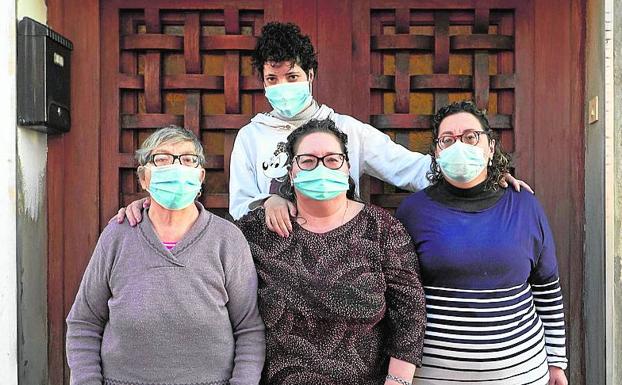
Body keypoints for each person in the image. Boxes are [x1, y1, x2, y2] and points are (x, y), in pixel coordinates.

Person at [116, 22, 530, 236]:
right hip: (278, 274)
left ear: (310, 74)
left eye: (291, 75)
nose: (282, 87)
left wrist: (482, 175)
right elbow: (241, 208)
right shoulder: (251, 136)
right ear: (261, 82)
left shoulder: (348, 130)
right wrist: (270, 204)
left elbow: (415, 170)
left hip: (344, 263)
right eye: (272, 79)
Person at [66, 126, 265, 385]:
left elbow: (249, 329)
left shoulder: (227, 239)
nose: (176, 167)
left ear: (201, 176)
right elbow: (84, 322)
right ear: (144, 178)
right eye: (162, 159)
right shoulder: (117, 236)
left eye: (187, 159)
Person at [236, 118, 427, 385]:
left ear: (347, 166)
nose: (321, 167)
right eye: (308, 161)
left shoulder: (382, 229)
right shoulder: (258, 231)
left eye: (332, 159)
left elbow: (409, 312)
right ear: (291, 172)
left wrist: (398, 381)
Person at [395, 101, 568, 385]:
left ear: (490, 147)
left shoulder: (525, 205)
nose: (458, 146)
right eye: (447, 140)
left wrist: (557, 362)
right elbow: (401, 299)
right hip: (433, 377)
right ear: (436, 153)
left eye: (470, 137)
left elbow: (547, 289)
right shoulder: (413, 211)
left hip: (522, 374)